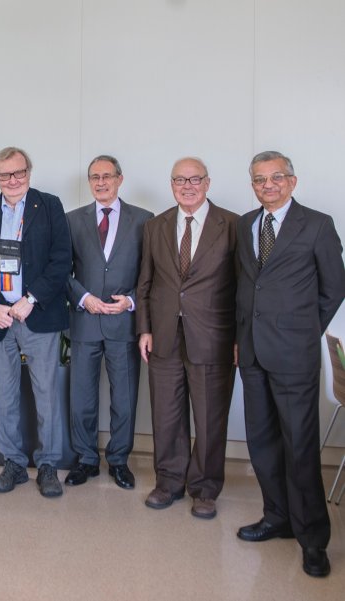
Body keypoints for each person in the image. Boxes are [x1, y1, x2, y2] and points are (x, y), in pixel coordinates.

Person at [234, 151, 345, 578]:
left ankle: (314, 538)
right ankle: (276, 517)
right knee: (262, 442)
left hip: (293, 354)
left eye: (277, 177)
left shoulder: (317, 225)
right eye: (260, 180)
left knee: (299, 448)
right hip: (253, 352)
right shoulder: (246, 225)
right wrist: (243, 336)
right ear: (253, 186)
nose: (268, 185)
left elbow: (334, 288)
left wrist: (303, 331)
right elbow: (245, 285)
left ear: (293, 181)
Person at [136, 157, 237, 519]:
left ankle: (205, 488)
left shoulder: (232, 226)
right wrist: (144, 328)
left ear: (208, 183)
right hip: (163, 335)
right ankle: (168, 482)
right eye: (180, 180)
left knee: (210, 416)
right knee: (166, 414)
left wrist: (239, 337)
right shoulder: (155, 225)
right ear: (172, 184)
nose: (187, 185)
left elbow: (242, 289)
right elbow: (144, 283)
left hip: (213, 337)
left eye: (195, 179)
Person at [0, 147, 72, 497]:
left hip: (37, 313)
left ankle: (47, 464)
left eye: (19, 173)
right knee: (2, 397)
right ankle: (14, 463)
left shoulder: (49, 206)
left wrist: (30, 299)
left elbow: (61, 259)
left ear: (29, 173)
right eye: (5, 175)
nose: (13, 180)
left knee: (46, 394)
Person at [65, 155, 153, 490]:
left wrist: (130, 300)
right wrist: (84, 297)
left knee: (125, 398)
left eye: (107, 176)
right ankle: (86, 459)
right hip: (85, 320)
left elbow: (151, 272)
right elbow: (63, 270)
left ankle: (118, 460)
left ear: (120, 179)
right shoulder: (72, 220)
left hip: (124, 324)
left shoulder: (144, 220)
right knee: (82, 397)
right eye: (94, 177)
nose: (101, 182)